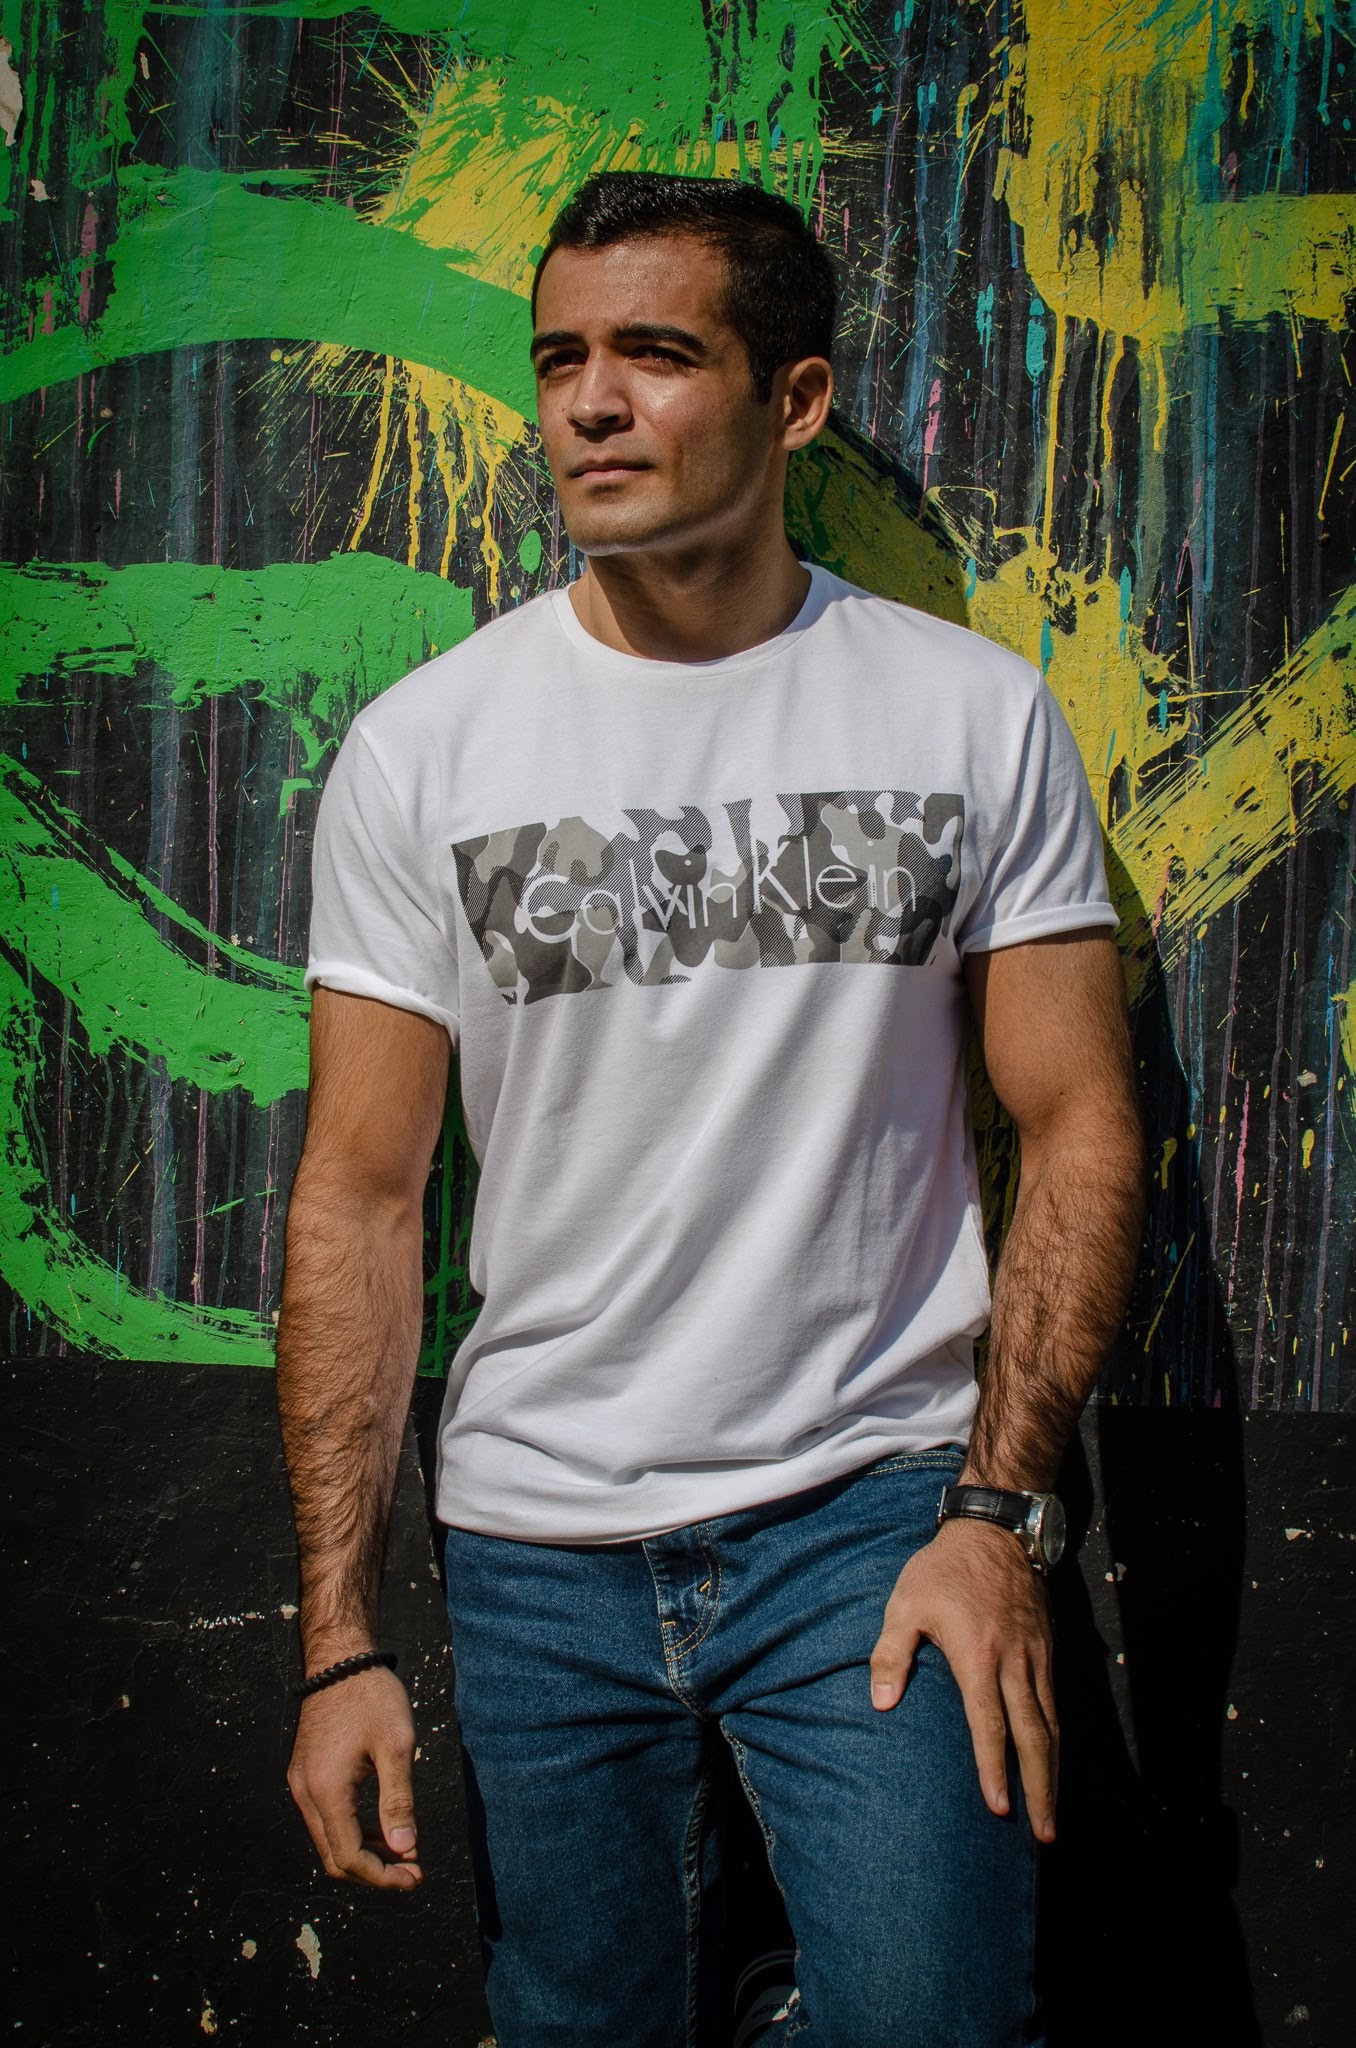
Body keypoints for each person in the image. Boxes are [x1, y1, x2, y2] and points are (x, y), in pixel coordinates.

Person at [277, 172, 1146, 2048]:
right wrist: (340, 1641)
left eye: (657, 354)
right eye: (560, 360)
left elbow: (1080, 1123)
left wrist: (998, 1513)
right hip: (537, 1550)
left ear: (795, 399)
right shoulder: (427, 748)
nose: (592, 403)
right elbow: (358, 1195)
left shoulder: (968, 715)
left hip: (873, 1511)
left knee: (933, 2023)